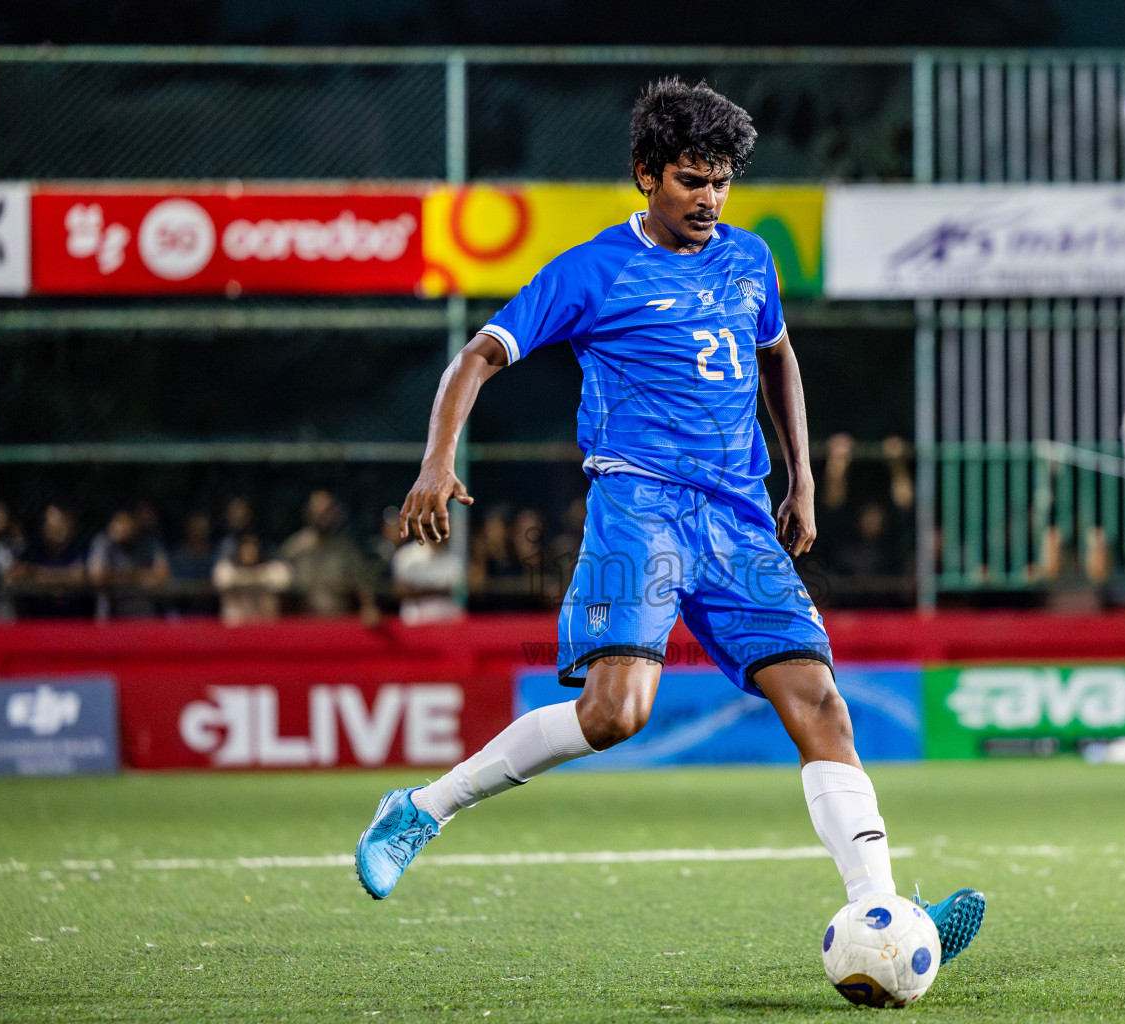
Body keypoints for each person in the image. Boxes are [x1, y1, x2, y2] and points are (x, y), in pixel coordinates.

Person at [353, 78, 984, 967]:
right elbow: (478, 355)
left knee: (820, 703)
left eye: (722, 180)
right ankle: (420, 810)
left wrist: (800, 474)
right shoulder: (591, 271)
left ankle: (883, 914)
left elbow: (778, 357)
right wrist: (435, 459)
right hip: (639, 505)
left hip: (737, 518)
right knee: (615, 715)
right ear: (647, 176)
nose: (710, 199)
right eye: (693, 179)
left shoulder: (749, 259)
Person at [279, 489, 380, 625]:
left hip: (339, 626)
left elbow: (363, 588)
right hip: (303, 626)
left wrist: (369, 609)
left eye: (327, 511)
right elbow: (279, 588)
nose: (322, 516)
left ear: (336, 513)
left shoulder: (346, 551)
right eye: (317, 511)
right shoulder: (293, 550)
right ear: (308, 512)